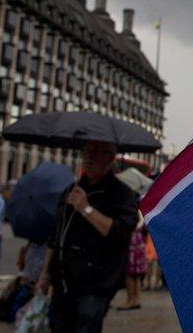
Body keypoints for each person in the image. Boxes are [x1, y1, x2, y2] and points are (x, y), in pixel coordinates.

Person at [36, 141, 138, 333]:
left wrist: (85, 208)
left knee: (86, 326)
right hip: (63, 281)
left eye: (97, 152)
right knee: (58, 325)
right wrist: (45, 273)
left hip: (96, 284)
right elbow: (56, 234)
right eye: (87, 151)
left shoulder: (122, 194)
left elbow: (120, 231)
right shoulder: (71, 190)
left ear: (110, 157)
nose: (90, 157)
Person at [117, 212, 147, 311]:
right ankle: (136, 299)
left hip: (131, 241)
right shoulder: (139, 210)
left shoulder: (130, 208)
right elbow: (142, 222)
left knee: (129, 273)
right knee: (136, 274)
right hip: (138, 241)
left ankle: (130, 300)